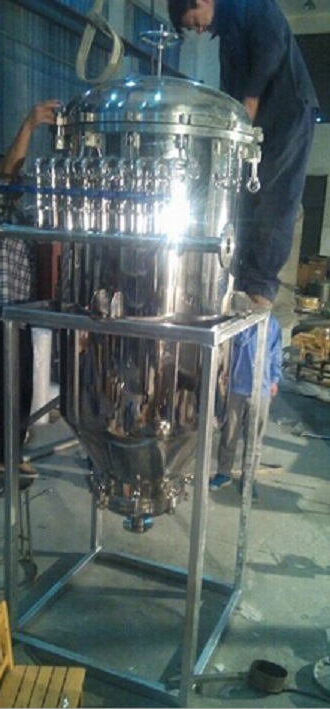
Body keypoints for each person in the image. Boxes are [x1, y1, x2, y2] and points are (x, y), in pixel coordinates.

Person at [167, 0, 319, 306]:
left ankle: (259, 288)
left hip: (287, 114)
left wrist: (249, 101)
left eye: (193, 21)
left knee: (274, 198)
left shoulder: (249, 5)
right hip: (260, 123)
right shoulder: (228, 31)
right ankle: (237, 277)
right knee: (243, 198)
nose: (198, 30)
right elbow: (230, 88)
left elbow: (271, 46)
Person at [0, 100, 61, 493]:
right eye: (14, 178)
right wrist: (30, 125)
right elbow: (7, 176)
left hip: (18, 318)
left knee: (20, 393)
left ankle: (9, 453)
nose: (20, 183)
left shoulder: (18, 218)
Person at [209, 314, 282, 502]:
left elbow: (275, 353)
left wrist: (274, 379)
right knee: (229, 433)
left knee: (254, 438)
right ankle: (223, 473)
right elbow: (228, 348)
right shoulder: (239, 323)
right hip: (237, 386)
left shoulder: (273, 324)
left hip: (262, 388)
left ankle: (249, 479)